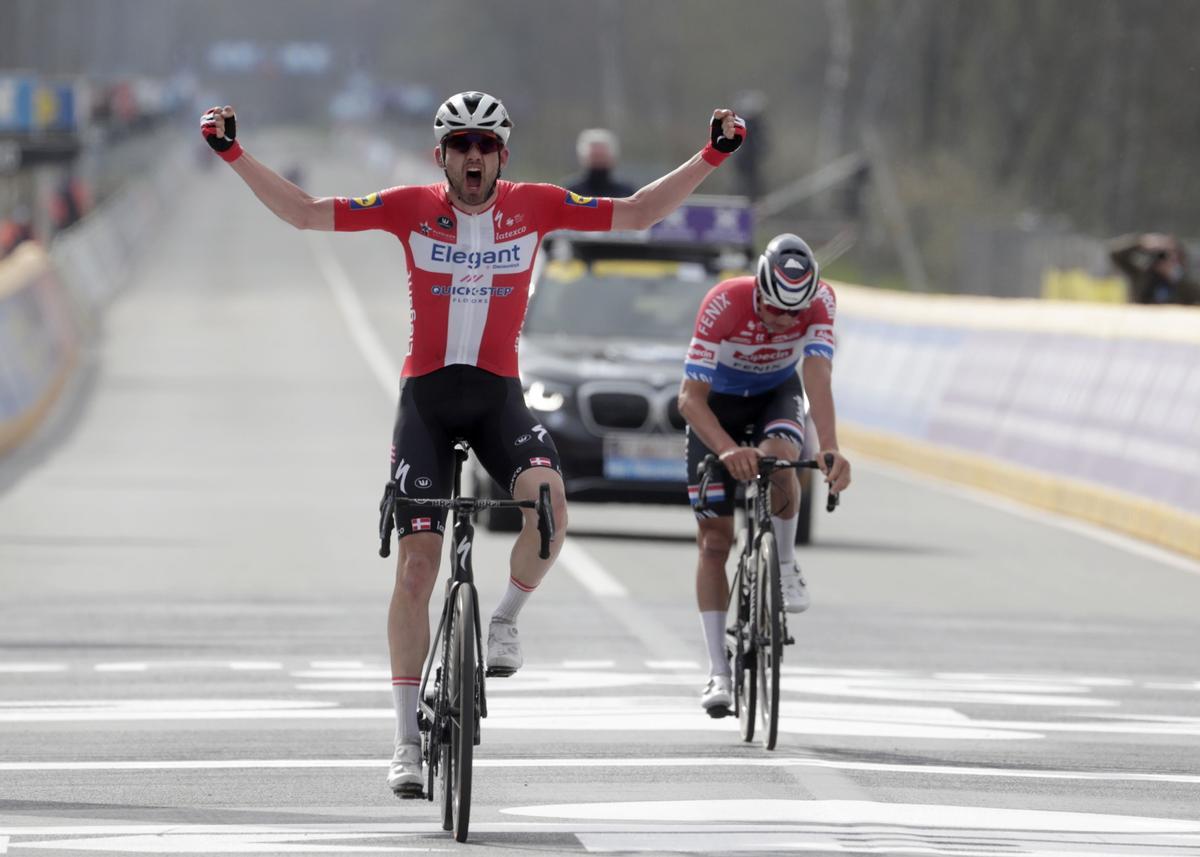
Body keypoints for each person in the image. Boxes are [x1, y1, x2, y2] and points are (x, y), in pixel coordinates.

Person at [199, 91, 746, 795]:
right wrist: (232, 153)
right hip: (426, 403)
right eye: (460, 144)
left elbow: (638, 213)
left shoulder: (538, 204)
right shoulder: (406, 206)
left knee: (549, 505)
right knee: (417, 568)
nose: (473, 156)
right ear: (442, 156)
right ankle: (402, 740)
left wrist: (713, 155)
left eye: (486, 145)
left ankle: (506, 619)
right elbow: (306, 213)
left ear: (502, 157)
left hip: (496, 398)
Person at [677, 233, 851, 716]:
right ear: (759, 287)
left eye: (793, 315)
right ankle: (718, 670)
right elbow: (688, 400)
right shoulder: (724, 302)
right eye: (773, 310)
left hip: (777, 393)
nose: (782, 322)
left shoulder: (820, 302)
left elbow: (818, 377)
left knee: (780, 462)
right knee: (715, 541)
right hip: (718, 407)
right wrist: (729, 449)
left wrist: (832, 447)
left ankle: (787, 563)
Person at [1108, 233, 1199, 305]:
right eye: (1163, 256)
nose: (1167, 260)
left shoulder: (1186, 283)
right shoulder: (1141, 275)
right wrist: (1142, 242)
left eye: (1173, 257)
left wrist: (1177, 278)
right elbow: (1114, 254)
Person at [567, 128, 634, 198]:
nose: (598, 162)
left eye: (602, 156)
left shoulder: (625, 192)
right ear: (583, 158)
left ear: (612, 158)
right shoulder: (572, 191)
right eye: (595, 156)